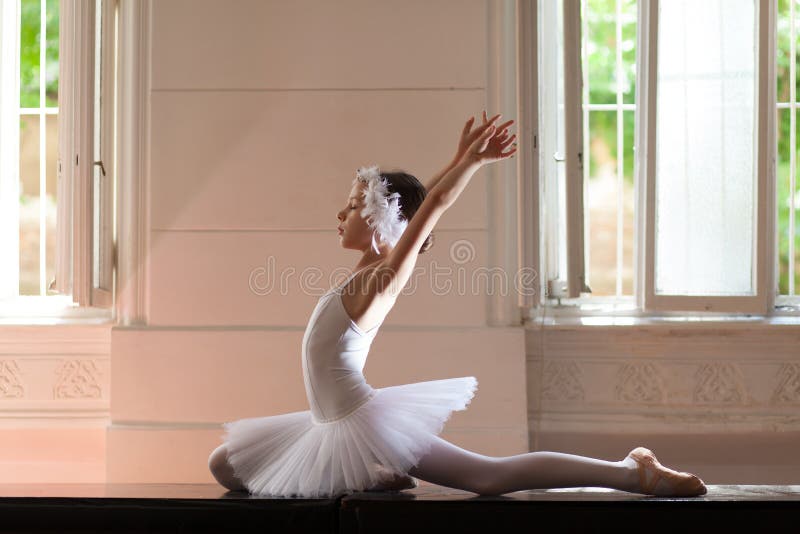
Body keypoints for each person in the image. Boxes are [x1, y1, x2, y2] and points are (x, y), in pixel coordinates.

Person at [208, 112, 707, 498]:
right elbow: (419, 204)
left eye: (355, 205)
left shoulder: (382, 280)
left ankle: (629, 471)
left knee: (488, 477)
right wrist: (454, 159)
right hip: (328, 422)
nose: (341, 213)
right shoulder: (361, 275)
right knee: (225, 465)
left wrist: (470, 162)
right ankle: (375, 473)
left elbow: (432, 206)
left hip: (360, 419)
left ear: (382, 220)